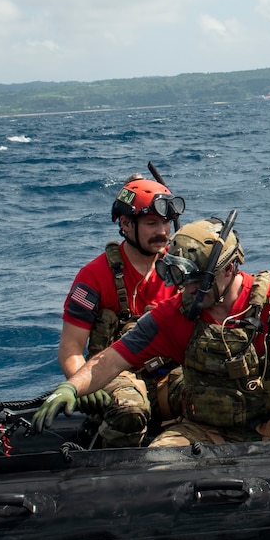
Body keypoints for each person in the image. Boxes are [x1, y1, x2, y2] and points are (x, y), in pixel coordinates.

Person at [37, 216, 270, 447]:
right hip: (203, 429)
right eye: (182, 281)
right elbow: (111, 360)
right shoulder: (174, 314)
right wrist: (70, 389)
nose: (187, 290)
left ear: (229, 270)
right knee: (158, 469)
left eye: (196, 281)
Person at [53, 172, 183, 446]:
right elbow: (71, 348)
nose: (162, 232)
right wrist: (82, 383)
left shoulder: (181, 268)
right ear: (125, 224)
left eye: (166, 223)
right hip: (114, 372)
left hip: (169, 371)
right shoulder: (94, 276)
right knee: (129, 410)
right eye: (151, 223)